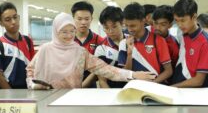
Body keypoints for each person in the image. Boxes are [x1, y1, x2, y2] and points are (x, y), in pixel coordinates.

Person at [26, 13, 155, 89]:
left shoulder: (80, 52)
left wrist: (133, 75)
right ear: (55, 31)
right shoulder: (45, 50)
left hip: (72, 99)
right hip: (46, 98)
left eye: (72, 31)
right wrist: (32, 84)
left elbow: (106, 69)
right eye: (64, 32)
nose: (69, 35)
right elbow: (30, 70)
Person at [118, 2, 173, 84]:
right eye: (126, 25)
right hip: (133, 88)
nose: (129, 29)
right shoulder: (123, 43)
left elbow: (168, 71)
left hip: (156, 87)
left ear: (143, 21)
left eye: (133, 26)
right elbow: (125, 74)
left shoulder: (159, 40)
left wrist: (152, 84)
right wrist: (129, 54)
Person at [171, 0, 208, 87]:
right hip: (179, 87)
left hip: (194, 93)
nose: (179, 25)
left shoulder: (205, 42)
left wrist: (173, 87)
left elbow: (199, 81)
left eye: (183, 20)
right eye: (176, 20)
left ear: (194, 17)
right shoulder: (184, 35)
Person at [0, 2, 35, 89]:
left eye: (15, 17)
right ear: (1, 23)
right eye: (8, 19)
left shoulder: (27, 40)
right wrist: (11, 94)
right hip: (7, 92)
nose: (13, 22)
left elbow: (34, 66)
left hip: (28, 89)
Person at [71, 1, 105, 88]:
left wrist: (83, 85)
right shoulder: (66, 40)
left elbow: (100, 67)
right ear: (73, 19)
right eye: (79, 19)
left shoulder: (99, 41)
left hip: (90, 85)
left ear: (91, 19)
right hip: (68, 83)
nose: (83, 22)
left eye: (86, 19)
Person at [94, 6, 126, 88]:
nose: (110, 31)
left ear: (122, 23)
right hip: (111, 90)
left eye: (114, 27)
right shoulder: (101, 49)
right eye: (106, 28)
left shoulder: (133, 41)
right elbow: (102, 81)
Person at [152, 5, 179, 70]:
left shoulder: (173, 45)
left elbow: (173, 67)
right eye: (155, 23)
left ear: (170, 25)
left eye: (163, 24)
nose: (157, 27)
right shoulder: (148, 34)